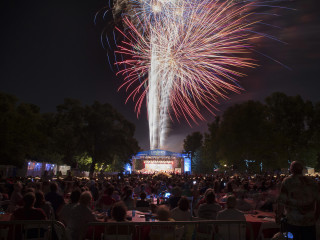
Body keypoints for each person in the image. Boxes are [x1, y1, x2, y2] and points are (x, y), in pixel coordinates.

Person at [277, 161, 320, 240]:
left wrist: (278, 216)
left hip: (292, 221)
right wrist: (316, 215)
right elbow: (318, 201)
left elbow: (281, 201)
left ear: (291, 169)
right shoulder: (313, 182)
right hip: (309, 221)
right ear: (302, 169)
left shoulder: (287, 181)